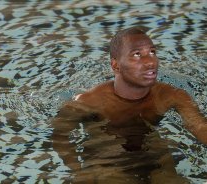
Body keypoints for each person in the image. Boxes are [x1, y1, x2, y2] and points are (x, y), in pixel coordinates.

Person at [51, 27, 207, 183]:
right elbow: (59, 136)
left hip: (154, 156)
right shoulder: (89, 102)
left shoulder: (170, 96)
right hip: (107, 160)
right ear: (115, 65)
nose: (150, 62)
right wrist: (78, 171)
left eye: (152, 52)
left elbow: (199, 126)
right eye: (137, 55)